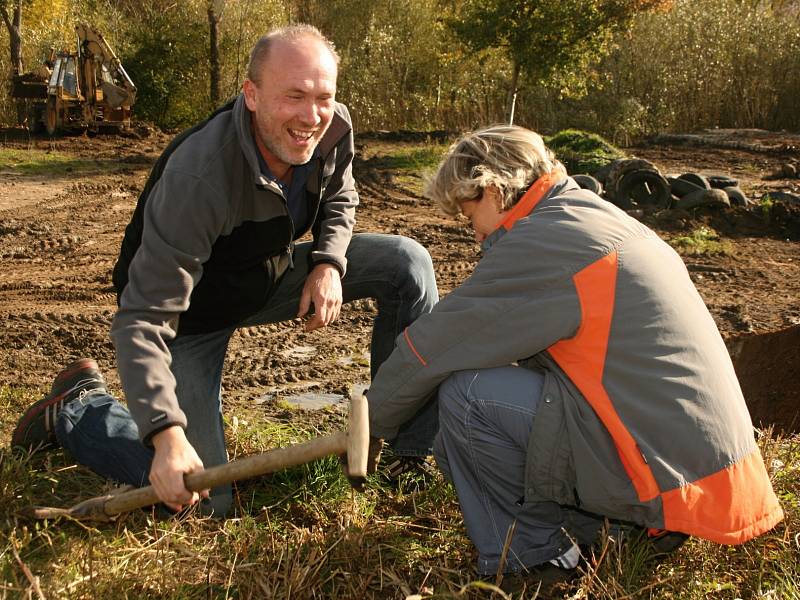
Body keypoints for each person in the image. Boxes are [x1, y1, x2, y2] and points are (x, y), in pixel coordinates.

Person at [12, 25, 438, 516]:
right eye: (294, 96)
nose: (312, 115)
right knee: (201, 497)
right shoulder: (201, 176)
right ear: (251, 96)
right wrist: (167, 435)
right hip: (190, 314)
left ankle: (406, 454)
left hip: (266, 275)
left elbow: (340, 197)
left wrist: (327, 262)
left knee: (407, 262)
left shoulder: (332, 127)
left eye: (324, 96)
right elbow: (143, 318)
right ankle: (79, 409)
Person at [365, 125, 783, 584]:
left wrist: (370, 425)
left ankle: (536, 560)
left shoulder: (546, 243)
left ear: (491, 189)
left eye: (467, 216)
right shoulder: (591, 216)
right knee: (456, 438)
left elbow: (434, 347)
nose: (472, 232)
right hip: (697, 466)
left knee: (468, 400)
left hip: (664, 476)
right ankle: (614, 531)